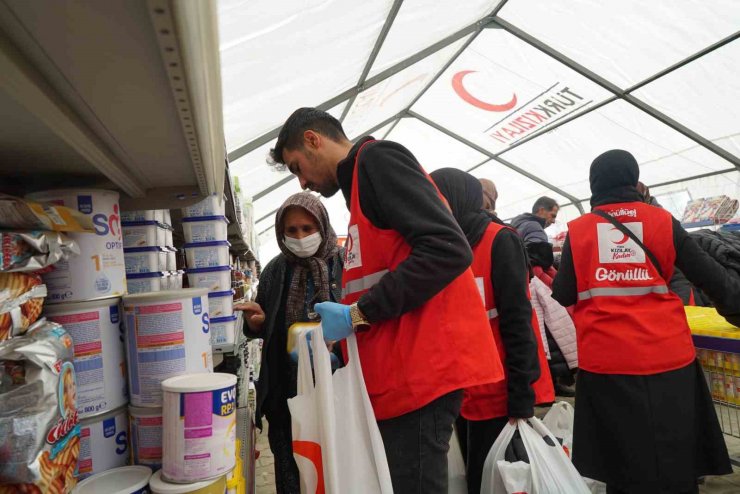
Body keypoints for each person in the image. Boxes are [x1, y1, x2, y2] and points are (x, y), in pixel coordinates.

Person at [269, 107, 503, 493]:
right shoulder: (358, 191)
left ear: (313, 140)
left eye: (297, 166)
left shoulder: (378, 161)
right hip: (403, 374)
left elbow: (446, 249)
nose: (303, 182)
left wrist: (358, 314)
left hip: (424, 372)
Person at [552, 149, 740, 493]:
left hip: (606, 362)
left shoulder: (579, 231)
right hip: (668, 358)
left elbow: (563, 292)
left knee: (620, 457)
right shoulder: (661, 220)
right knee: (676, 452)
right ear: (635, 181)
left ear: (594, 184)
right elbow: (710, 277)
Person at [431, 168, 554, 494]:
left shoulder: (499, 239)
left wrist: (521, 397)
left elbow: (518, 322)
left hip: (499, 396)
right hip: (459, 394)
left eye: (436, 196)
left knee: (498, 481)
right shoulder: (442, 244)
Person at [234, 192, 343, 494]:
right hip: (286, 395)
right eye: (292, 231)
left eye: (308, 229)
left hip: (336, 392)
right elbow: (263, 325)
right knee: (292, 471)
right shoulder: (275, 270)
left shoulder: (343, 266)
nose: (300, 237)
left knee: (335, 470)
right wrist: (257, 324)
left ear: (322, 225)